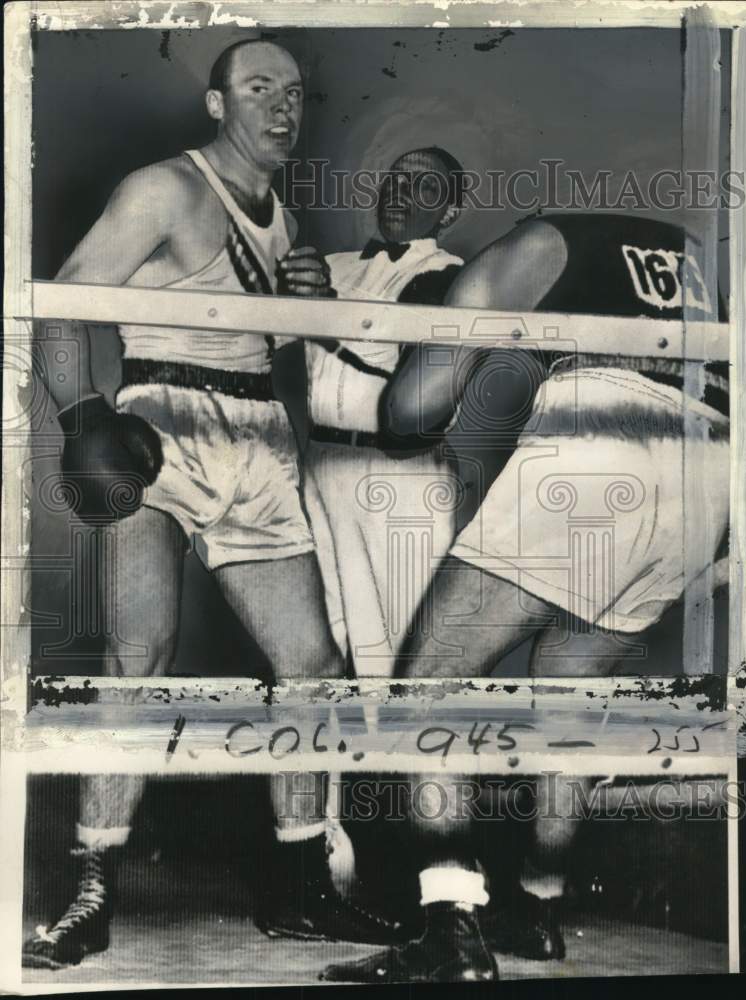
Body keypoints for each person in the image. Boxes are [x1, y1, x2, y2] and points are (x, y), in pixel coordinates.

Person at [24, 38, 397, 970]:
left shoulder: (281, 215)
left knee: (309, 665)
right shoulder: (166, 188)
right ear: (215, 102)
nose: (281, 107)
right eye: (258, 88)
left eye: (294, 93)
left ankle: (300, 886)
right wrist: (81, 417)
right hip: (164, 423)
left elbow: (256, 340)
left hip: (260, 438)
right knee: (140, 652)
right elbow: (55, 302)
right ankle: (93, 882)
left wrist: (302, 305)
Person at [320, 211, 730, 982]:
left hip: (602, 444)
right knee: (569, 688)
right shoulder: (688, 255)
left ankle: (449, 928)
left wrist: (438, 327)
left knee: (427, 683)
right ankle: (537, 911)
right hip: (709, 466)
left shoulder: (530, 244)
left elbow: (407, 411)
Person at [303, 146, 466, 677]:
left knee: (398, 647)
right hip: (319, 462)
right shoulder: (330, 266)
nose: (400, 190)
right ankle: (341, 760)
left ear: (449, 212)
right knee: (325, 644)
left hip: (401, 478)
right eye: (395, 179)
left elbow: (413, 382)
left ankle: (410, 755)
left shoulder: (452, 277)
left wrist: (323, 314)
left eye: (423, 185)